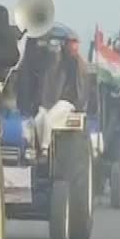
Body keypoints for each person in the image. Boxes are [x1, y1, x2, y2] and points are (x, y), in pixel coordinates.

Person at [16, 24, 88, 158]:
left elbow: (79, 85)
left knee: (48, 119)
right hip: (51, 103)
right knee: (39, 118)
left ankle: (44, 149)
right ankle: (36, 148)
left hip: (66, 102)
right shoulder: (46, 66)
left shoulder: (74, 63)